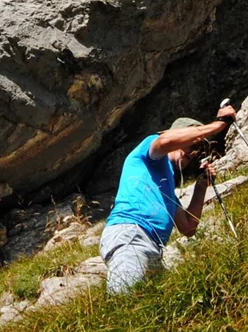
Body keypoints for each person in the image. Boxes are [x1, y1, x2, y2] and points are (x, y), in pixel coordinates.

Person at [99, 102, 235, 294]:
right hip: (131, 232)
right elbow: (164, 142)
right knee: (124, 300)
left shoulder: (167, 186)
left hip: (152, 244)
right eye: (192, 144)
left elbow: (188, 227)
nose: (193, 152)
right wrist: (217, 125)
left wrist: (201, 186)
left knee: (152, 309)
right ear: (178, 137)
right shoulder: (150, 149)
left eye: (197, 149)